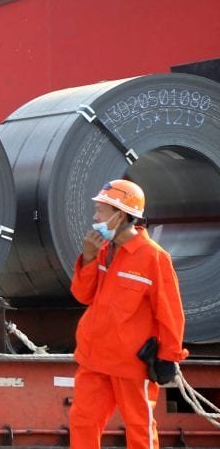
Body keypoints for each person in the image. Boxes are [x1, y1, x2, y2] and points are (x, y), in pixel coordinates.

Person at [69, 178, 188, 449]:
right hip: (94, 358)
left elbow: (170, 311)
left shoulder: (153, 257)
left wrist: (169, 356)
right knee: (83, 422)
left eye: (101, 211)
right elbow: (83, 295)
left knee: (139, 427)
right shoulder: (102, 251)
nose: (95, 218)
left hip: (131, 364)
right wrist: (88, 258)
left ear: (120, 215)